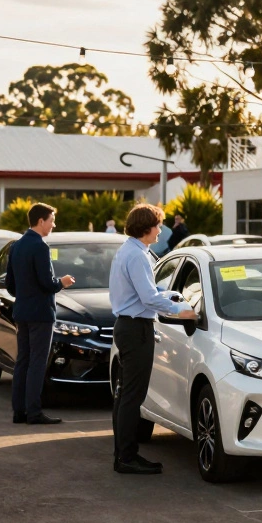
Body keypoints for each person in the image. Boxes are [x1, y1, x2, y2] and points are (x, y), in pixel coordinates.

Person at [109, 203, 197, 474]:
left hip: (130, 326)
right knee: (132, 396)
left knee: (126, 394)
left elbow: (148, 290)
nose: (162, 229)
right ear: (146, 227)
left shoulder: (134, 251)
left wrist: (168, 295)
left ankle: (123, 455)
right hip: (136, 329)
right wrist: (180, 310)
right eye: (158, 224)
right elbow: (147, 297)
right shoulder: (136, 255)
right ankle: (126, 457)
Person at [5, 203, 76, 425]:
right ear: (41, 221)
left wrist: (26, 295)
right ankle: (34, 412)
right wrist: (62, 283)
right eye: (52, 220)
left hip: (22, 311)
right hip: (40, 314)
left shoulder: (16, 246)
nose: (54, 224)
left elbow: (10, 285)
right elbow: (47, 283)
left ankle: (19, 411)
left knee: (23, 361)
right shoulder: (40, 247)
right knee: (37, 362)